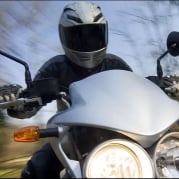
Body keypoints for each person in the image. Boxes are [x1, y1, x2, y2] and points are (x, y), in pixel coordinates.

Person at [0, 1, 179, 178]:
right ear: (65, 37)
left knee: (165, 159)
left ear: (104, 34)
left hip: (119, 132)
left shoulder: (115, 64)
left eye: (94, 35)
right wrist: (18, 99)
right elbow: (29, 103)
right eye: (78, 36)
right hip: (70, 135)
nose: (87, 42)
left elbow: (135, 94)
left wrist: (162, 86)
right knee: (37, 169)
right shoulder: (54, 67)